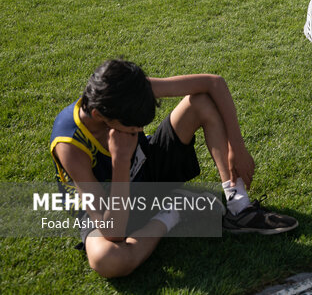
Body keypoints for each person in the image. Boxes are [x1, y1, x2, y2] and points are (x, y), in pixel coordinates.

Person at [49, 59, 298, 278]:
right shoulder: (70, 145)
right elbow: (113, 231)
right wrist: (121, 161)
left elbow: (213, 83)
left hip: (148, 173)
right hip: (107, 206)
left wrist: (237, 147)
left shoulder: (126, 91)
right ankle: (172, 212)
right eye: (134, 128)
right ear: (99, 116)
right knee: (108, 260)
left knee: (200, 102)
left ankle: (239, 208)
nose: (139, 132)